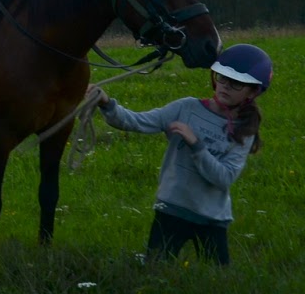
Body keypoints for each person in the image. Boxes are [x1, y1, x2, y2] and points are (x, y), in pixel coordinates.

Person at [94, 44, 270, 267]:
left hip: (212, 219)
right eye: (222, 77)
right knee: (156, 270)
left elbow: (224, 178)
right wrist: (106, 104)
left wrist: (196, 144)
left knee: (217, 278)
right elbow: (137, 121)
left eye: (236, 83)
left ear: (253, 92)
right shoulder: (186, 108)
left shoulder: (245, 130)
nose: (225, 85)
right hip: (172, 210)